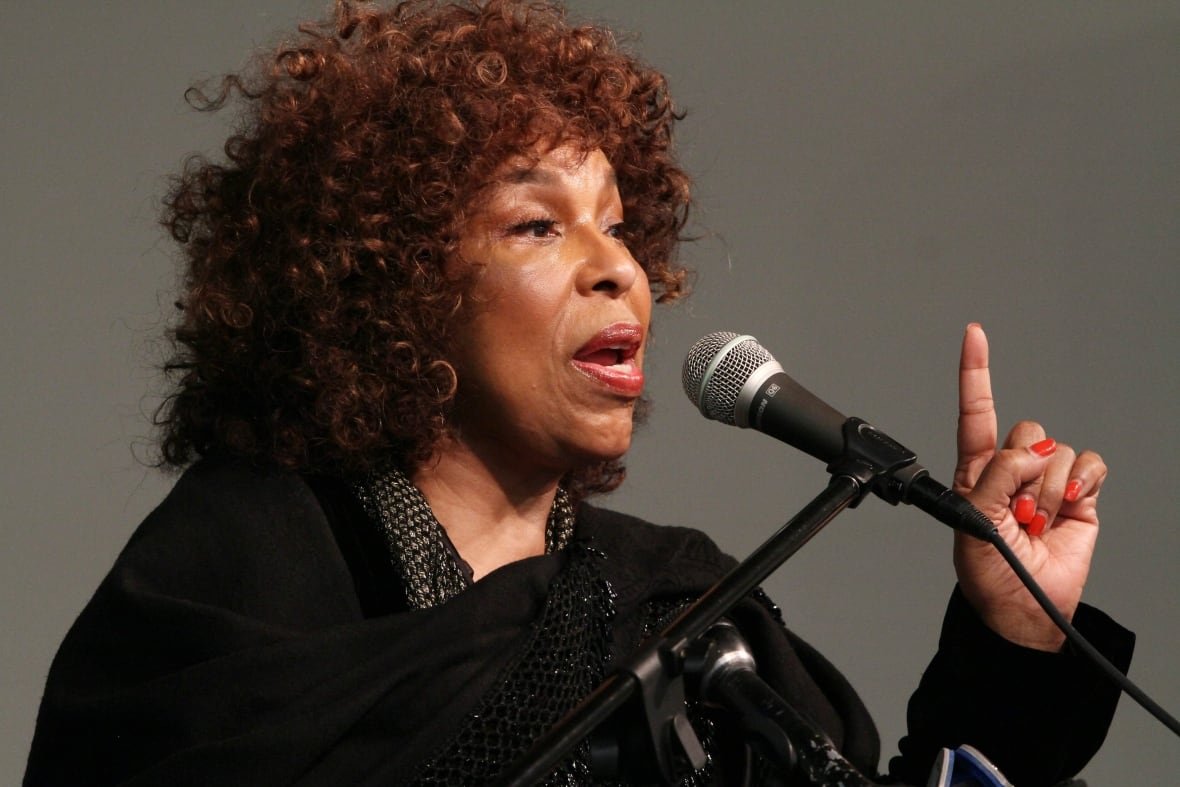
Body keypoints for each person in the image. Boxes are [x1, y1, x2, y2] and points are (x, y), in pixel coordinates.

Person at [24, 1, 1133, 785]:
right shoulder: (232, 576)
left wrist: (1008, 638)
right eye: (537, 224)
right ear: (391, 283)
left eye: (619, 223)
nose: (619, 268)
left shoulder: (681, 604)